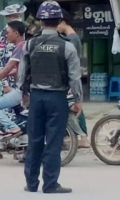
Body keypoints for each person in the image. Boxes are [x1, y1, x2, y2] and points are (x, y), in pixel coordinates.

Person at [20, 1, 82, 193]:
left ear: (40, 21)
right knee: (53, 142)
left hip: (37, 97)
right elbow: (75, 77)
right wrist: (78, 99)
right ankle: (50, 184)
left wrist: (24, 94)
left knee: (34, 141)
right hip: (57, 99)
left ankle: (31, 184)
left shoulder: (29, 44)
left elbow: (22, 73)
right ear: (59, 21)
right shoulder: (67, 47)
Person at [0, 21, 26, 136]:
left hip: (22, 90)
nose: (6, 35)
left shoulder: (20, 47)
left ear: (16, 33)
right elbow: (15, 70)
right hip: (28, 89)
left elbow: (7, 69)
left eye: (8, 32)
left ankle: (13, 127)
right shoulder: (26, 45)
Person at [57, 9, 89, 148]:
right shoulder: (72, 38)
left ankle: (83, 137)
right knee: (73, 107)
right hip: (71, 78)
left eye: (57, 23)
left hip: (71, 78)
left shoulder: (71, 40)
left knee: (75, 107)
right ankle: (77, 135)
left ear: (63, 22)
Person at [0, 4, 26, 94]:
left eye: (20, 15)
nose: (18, 18)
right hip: (10, 82)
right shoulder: (2, 36)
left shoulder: (24, 33)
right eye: (15, 16)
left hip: (23, 81)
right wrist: (4, 84)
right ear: (8, 17)